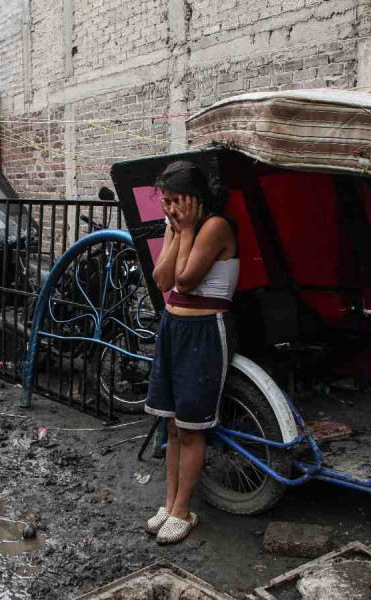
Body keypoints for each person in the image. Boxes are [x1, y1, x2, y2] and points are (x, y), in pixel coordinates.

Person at [144, 161, 239, 545]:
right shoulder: (175, 226)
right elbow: (162, 280)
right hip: (173, 326)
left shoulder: (215, 227)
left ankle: (184, 509)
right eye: (164, 202)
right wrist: (176, 229)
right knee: (170, 422)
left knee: (190, 427)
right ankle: (169, 503)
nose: (168, 209)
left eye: (174, 201)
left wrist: (183, 232)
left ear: (194, 199)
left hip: (204, 330)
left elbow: (185, 278)